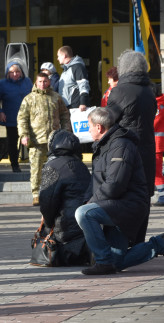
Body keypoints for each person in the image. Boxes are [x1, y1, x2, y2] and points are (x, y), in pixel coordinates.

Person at [75, 107, 160, 275]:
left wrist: (91, 205)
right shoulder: (104, 145)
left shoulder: (121, 145)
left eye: (89, 126)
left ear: (99, 127)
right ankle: (160, 244)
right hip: (114, 205)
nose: (88, 129)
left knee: (84, 214)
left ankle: (102, 261)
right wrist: (88, 199)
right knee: (116, 262)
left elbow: (115, 184)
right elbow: (96, 181)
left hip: (127, 206)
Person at [106, 50, 156, 243]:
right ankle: (139, 243)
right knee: (143, 198)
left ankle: (122, 244)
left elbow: (110, 120)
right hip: (147, 151)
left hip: (125, 152)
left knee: (122, 195)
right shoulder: (149, 90)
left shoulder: (119, 91)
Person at [38, 130, 91, 266]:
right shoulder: (81, 166)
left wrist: (48, 224)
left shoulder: (53, 166)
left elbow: (47, 202)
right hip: (85, 224)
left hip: (66, 229)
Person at [17, 72, 71, 206]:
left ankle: (54, 193)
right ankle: (36, 194)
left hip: (54, 140)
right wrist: (24, 135)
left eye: (45, 81)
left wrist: (66, 132)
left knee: (55, 169)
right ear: (36, 82)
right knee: (36, 169)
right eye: (40, 81)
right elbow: (22, 118)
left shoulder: (56, 97)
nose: (43, 84)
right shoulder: (29, 99)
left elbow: (65, 115)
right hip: (36, 140)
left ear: (49, 82)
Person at [0, 61, 32, 173]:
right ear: (8, 73)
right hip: (12, 117)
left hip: (28, 118)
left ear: (21, 72)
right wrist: (0, 112)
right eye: (12, 72)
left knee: (32, 141)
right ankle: (15, 165)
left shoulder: (27, 81)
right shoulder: (2, 84)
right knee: (12, 142)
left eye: (17, 71)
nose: (15, 74)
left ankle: (36, 163)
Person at [56, 45, 90, 111]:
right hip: (67, 107)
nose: (57, 58)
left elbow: (84, 85)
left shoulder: (78, 67)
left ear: (64, 55)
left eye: (58, 56)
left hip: (76, 108)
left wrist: (83, 103)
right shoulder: (66, 69)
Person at [154, 86, 164, 207]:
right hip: (158, 142)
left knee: (156, 171)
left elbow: (154, 123)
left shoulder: (157, 105)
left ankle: (162, 195)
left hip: (156, 142)